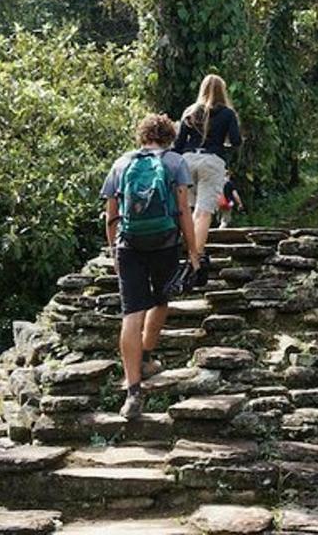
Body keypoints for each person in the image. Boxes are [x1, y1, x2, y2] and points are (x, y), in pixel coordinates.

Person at [101, 113, 198, 420]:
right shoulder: (175, 162)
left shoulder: (121, 164)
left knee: (131, 313)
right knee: (162, 298)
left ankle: (132, 392)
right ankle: (146, 355)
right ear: (169, 136)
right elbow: (184, 210)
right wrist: (193, 251)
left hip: (129, 244)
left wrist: (115, 250)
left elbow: (111, 215)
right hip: (164, 242)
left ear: (141, 136)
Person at [174, 74, 243, 270]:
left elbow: (179, 144)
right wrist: (224, 140)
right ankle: (195, 259)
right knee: (204, 213)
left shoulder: (190, 112)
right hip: (211, 161)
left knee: (188, 210)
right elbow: (236, 141)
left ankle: (186, 252)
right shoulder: (228, 114)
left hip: (187, 161)